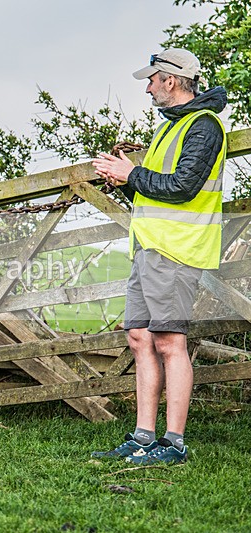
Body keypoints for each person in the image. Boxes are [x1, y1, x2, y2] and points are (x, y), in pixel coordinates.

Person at [91, 49, 227, 464]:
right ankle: (143, 437)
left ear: (170, 80)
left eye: (152, 80)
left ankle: (174, 443)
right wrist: (124, 179)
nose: (148, 87)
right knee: (140, 339)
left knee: (170, 342)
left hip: (176, 249)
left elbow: (184, 187)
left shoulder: (203, 127)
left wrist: (131, 174)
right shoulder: (172, 128)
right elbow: (152, 191)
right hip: (149, 247)